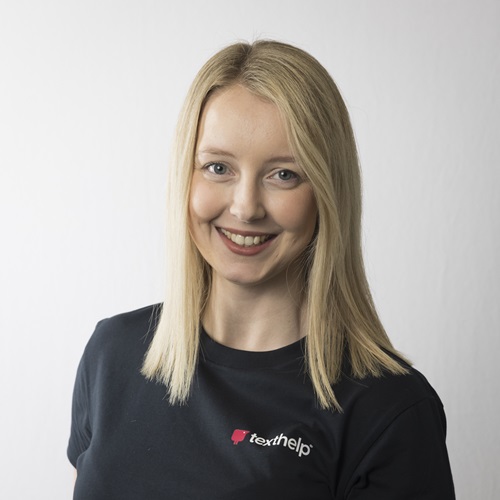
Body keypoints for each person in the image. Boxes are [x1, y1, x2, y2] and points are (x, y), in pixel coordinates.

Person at [68, 40, 455, 499]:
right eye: (217, 167)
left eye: (284, 174)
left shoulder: (387, 409)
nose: (246, 207)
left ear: (328, 193)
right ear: (185, 178)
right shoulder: (112, 355)